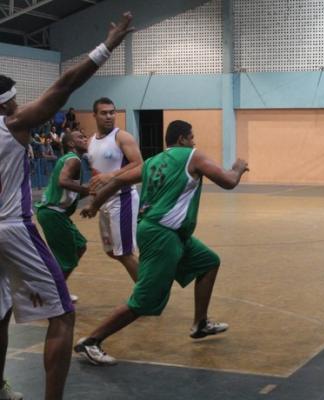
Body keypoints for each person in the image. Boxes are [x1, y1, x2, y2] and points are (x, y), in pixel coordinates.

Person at [0, 12, 133, 400]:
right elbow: (64, 84)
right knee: (63, 316)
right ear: (9, 103)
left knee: (2, 309)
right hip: (12, 227)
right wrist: (106, 47)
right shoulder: (13, 123)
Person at [74, 120, 249, 365]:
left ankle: (200, 323)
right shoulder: (192, 156)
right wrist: (238, 167)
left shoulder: (153, 161)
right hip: (162, 234)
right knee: (146, 299)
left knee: (208, 262)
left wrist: (94, 204)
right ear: (182, 140)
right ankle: (91, 341)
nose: (194, 142)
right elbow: (229, 181)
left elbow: (116, 182)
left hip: (170, 233)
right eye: (192, 137)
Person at [86, 97, 143, 282]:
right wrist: (94, 200)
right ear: (94, 115)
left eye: (112, 112)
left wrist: (111, 176)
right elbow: (96, 172)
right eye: (104, 113)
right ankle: (149, 282)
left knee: (125, 253)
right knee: (112, 252)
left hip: (122, 199)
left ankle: (149, 293)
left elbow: (139, 165)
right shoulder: (91, 141)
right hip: (104, 202)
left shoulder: (122, 137)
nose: (109, 116)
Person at [35, 130, 90, 303]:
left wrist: (91, 193)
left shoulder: (70, 160)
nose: (85, 138)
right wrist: (88, 190)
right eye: (80, 137)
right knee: (67, 260)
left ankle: (56, 289)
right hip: (53, 213)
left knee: (80, 246)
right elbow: (62, 181)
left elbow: (68, 191)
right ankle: (52, 294)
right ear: (71, 144)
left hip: (56, 214)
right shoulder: (73, 160)